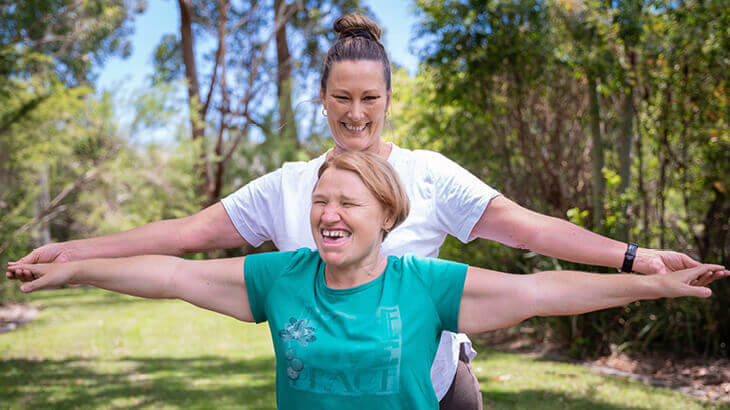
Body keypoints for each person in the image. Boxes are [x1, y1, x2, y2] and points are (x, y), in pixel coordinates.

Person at [6, 13, 726, 409]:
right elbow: (181, 243)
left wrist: (639, 262)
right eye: (342, 98)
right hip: (323, 380)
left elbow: (536, 245)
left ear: (388, 100)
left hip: (431, 383)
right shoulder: (288, 188)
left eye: (370, 99)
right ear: (322, 99)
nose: (356, 113)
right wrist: (78, 253)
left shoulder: (429, 179)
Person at [6, 151, 726, 409]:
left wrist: (649, 280)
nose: (327, 215)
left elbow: (545, 288)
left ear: (387, 215)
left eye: (346, 204)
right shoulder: (279, 277)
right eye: (320, 202)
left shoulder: (426, 285)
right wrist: (75, 265)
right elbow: (170, 270)